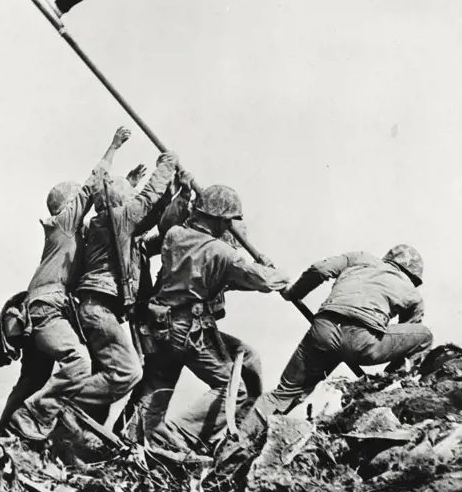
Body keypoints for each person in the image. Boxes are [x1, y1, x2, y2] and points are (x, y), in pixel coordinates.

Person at [138, 184, 290, 450]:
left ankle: (135, 440)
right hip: (188, 328)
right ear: (220, 219)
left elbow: (220, 276)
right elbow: (263, 281)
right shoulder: (221, 252)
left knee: (156, 390)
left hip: (161, 324)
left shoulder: (175, 235)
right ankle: (176, 436)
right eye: (228, 220)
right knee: (234, 389)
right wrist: (275, 271)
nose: (229, 226)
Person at [237, 243, 433, 444]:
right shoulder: (412, 294)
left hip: (323, 331)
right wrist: (389, 376)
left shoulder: (360, 258)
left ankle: (239, 441)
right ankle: (391, 384)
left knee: (283, 394)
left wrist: (294, 293)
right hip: (363, 342)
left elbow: (319, 269)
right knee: (424, 336)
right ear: (413, 276)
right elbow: (406, 339)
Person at [7, 126, 131, 441]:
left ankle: (2, 435)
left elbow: (109, 207)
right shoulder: (62, 225)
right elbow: (92, 188)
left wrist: (129, 182)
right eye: (75, 201)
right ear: (66, 206)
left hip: (47, 309)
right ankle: (33, 418)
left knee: (32, 378)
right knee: (78, 362)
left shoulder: (73, 236)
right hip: (46, 308)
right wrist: (113, 147)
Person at [68, 150, 179, 424]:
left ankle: (79, 434)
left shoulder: (114, 229)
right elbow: (146, 200)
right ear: (120, 203)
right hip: (99, 309)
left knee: (105, 379)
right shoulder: (115, 220)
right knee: (127, 372)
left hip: (99, 309)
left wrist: (173, 194)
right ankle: (59, 402)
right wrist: (166, 166)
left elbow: (151, 218)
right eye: (128, 197)